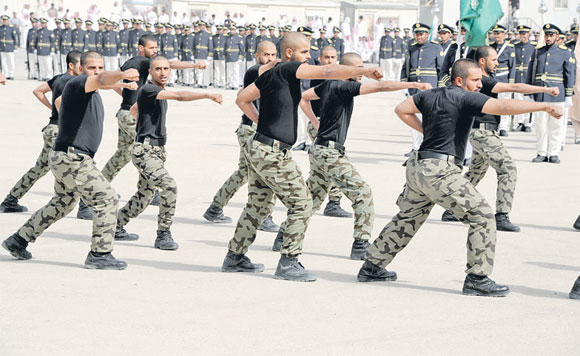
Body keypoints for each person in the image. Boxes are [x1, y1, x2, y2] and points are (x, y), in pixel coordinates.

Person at [357, 59, 562, 297]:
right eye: (475, 80)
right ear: (459, 80)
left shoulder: (431, 94)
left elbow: (401, 109)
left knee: (407, 218)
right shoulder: (465, 97)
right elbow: (503, 107)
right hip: (440, 171)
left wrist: (425, 131)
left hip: (418, 167)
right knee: (483, 215)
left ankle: (372, 266)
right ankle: (477, 278)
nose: (479, 85)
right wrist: (543, 107)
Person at [223, 32, 382, 282]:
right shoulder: (288, 69)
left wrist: (261, 123)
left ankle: (235, 257)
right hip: (272, 151)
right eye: (305, 52)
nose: (310, 57)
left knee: (259, 203)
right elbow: (327, 73)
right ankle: (288, 262)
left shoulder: (271, 73)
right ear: (290, 53)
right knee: (302, 203)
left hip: (260, 146)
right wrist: (368, 70)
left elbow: (242, 99)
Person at [1, 51, 140, 269]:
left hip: (66, 155)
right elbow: (101, 80)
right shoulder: (78, 83)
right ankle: (99, 253)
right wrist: (123, 74)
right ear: (80, 68)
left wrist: (122, 83)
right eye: (92, 68)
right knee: (107, 198)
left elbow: (91, 86)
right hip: (73, 158)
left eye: (100, 67)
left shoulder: (85, 90)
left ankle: (18, 240)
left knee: (62, 202)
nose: (97, 71)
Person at [297, 52, 431, 259]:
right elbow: (381, 86)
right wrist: (415, 85)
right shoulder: (343, 86)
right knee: (363, 193)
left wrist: (316, 124)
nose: (362, 72)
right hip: (329, 153)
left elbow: (304, 99)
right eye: (358, 68)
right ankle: (361, 245)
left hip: (320, 149)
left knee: (312, 199)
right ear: (349, 70)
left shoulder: (328, 85)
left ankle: (284, 237)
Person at [441, 46, 560, 232]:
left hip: (481, 132)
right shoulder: (483, 80)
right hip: (483, 133)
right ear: (482, 61)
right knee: (508, 169)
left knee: (475, 172)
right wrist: (544, 89)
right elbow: (514, 87)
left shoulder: (481, 79)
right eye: (494, 60)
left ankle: (453, 210)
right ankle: (501, 215)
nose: (497, 63)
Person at [95, 34, 207, 218]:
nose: (155, 51)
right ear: (141, 48)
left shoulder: (132, 61)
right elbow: (170, 64)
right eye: (151, 48)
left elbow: (114, 80)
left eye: (156, 47)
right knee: (146, 150)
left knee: (122, 155)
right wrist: (194, 65)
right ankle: (148, 190)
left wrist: (127, 98)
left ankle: (100, 189)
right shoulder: (143, 61)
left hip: (124, 113)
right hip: (131, 118)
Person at [116, 55, 222, 250]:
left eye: (166, 69)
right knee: (169, 187)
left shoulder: (154, 92)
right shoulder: (149, 89)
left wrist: (145, 123)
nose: (163, 72)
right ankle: (163, 234)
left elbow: (134, 109)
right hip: (145, 151)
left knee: (145, 194)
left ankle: (116, 225)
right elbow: (180, 96)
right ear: (150, 72)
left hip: (155, 150)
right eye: (158, 69)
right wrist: (207, 95)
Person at [204, 40, 280, 233]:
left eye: (272, 55)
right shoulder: (256, 70)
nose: (269, 59)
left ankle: (215, 208)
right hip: (252, 130)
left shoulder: (265, 73)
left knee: (245, 173)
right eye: (266, 55)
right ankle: (264, 216)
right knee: (264, 174)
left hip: (252, 129)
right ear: (257, 55)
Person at [0, 51, 83, 214]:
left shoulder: (58, 78)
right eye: (81, 64)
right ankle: (85, 208)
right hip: (62, 130)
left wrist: (53, 109)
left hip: (51, 128)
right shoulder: (75, 81)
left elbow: (38, 91)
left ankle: (10, 200)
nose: (83, 67)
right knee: (77, 166)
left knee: (40, 168)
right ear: (71, 65)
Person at [529, 24, 575, 164]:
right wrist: (530, 91)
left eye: (551, 35)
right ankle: (541, 152)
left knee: (556, 125)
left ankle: (553, 152)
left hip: (557, 94)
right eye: (547, 35)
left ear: (557, 37)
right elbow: (531, 72)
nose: (548, 38)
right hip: (540, 94)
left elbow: (570, 74)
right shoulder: (538, 52)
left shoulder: (564, 53)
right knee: (540, 125)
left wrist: (568, 95)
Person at [401, 23, 444, 157]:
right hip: (414, 89)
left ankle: (430, 146)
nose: (418, 37)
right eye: (416, 34)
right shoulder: (411, 49)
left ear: (427, 34)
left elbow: (441, 69)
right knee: (414, 117)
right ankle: (416, 147)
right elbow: (405, 68)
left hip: (430, 88)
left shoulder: (436, 47)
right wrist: (405, 85)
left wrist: (441, 87)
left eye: (421, 34)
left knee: (430, 118)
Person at [490, 24, 516, 136]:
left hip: (503, 78)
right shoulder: (490, 47)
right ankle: (494, 125)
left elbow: (513, 66)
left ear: (504, 34)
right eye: (495, 33)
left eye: (498, 33)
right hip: (492, 79)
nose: (496, 35)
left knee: (504, 103)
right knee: (492, 103)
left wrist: (511, 82)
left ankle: (503, 127)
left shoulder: (509, 48)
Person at [513, 25, 536, 132]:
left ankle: (528, 124)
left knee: (529, 102)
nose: (522, 35)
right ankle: (520, 122)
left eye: (524, 33)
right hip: (518, 76)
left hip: (528, 77)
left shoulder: (533, 47)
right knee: (518, 101)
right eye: (521, 33)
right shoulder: (515, 46)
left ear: (528, 34)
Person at [0, 14, 19, 80]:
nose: (4, 21)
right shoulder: (0, 28)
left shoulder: (11, 28)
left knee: (11, 62)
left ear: (8, 20)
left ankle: (11, 74)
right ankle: (5, 74)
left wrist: (15, 47)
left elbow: (15, 38)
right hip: (2, 48)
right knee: (4, 62)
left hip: (10, 47)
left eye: (6, 20)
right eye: (3, 20)